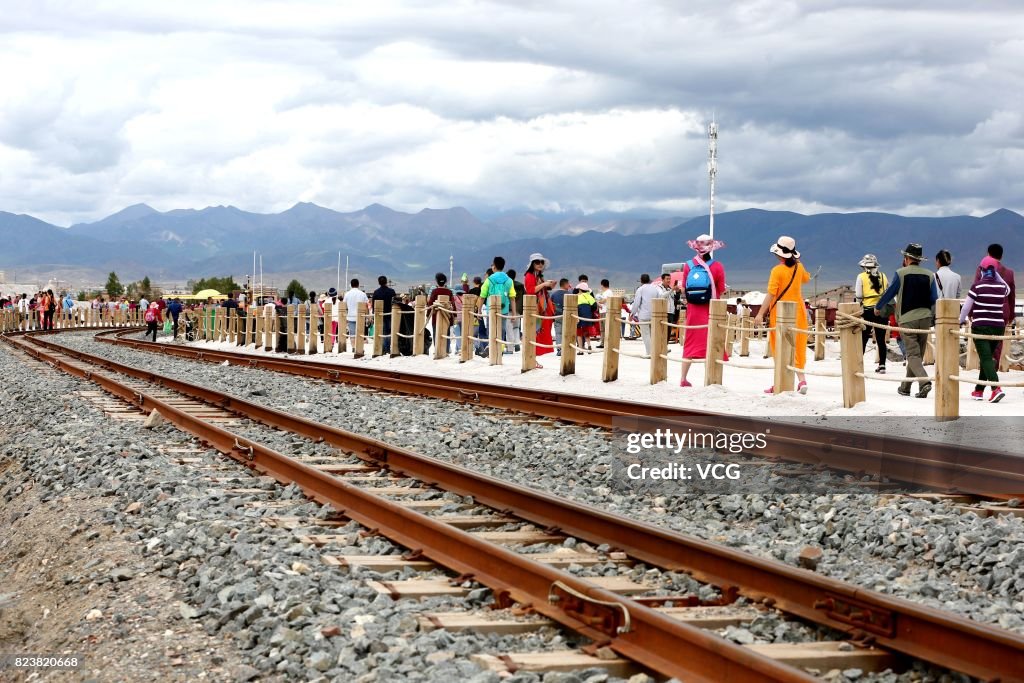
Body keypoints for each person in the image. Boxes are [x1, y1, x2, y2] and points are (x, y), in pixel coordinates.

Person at [874, 243, 939, 398]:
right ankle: (905, 387)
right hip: (925, 318)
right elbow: (934, 299)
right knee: (917, 355)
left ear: (907, 258)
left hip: (907, 319)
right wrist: (933, 318)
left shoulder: (900, 273)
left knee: (912, 355)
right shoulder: (930, 275)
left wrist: (878, 307)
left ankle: (924, 382)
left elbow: (890, 292)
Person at [753, 236, 811, 394]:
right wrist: (798, 262)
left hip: (779, 313)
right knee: (797, 345)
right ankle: (802, 380)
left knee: (779, 347)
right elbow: (806, 278)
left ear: (779, 254)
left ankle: (779, 382)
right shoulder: (799, 267)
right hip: (798, 311)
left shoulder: (777, 270)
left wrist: (760, 314)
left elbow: (771, 294)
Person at [960, 256, 1010, 403]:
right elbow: (1006, 288)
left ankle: (996, 389)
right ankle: (979, 390)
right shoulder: (1002, 288)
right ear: (995, 272)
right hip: (998, 327)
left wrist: (960, 322)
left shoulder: (977, 286)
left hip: (981, 327)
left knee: (986, 358)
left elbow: (966, 308)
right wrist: (997, 274)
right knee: (987, 358)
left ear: (981, 270)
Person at [678, 234, 727, 387]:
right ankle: (710, 378)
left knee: (690, 343)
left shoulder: (687, 265)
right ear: (711, 248)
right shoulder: (718, 266)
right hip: (711, 310)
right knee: (712, 342)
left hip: (693, 310)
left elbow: (684, 288)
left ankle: (683, 379)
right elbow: (721, 289)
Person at [973, 243, 1016, 363]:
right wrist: (1012, 314)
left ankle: (988, 372)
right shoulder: (1009, 273)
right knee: (997, 344)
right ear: (1001, 256)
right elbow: (1011, 296)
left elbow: (975, 290)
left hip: (983, 312)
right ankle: (993, 368)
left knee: (982, 343)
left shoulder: (981, 270)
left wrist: (971, 311)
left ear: (988, 254)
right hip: (1002, 313)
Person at [855, 253, 890, 374]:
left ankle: (859, 363)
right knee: (881, 339)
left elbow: (859, 296)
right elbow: (887, 292)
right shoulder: (883, 276)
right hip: (881, 310)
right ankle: (882, 365)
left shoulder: (861, 277)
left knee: (863, 338)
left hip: (867, 310)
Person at [477, 257, 516, 357]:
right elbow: (512, 298)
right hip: (504, 309)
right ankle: (499, 350)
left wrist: (479, 310)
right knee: (501, 331)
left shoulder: (489, 280)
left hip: (492, 309)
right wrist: (514, 314)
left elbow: (482, 297)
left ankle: (491, 348)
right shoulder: (509, 280)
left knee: (491, 330)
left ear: (494, 266)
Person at [523, 253, 555, 368]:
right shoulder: (529, 276)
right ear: (532, 264)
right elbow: (531, 291)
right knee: (534, 332)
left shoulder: (538, 276)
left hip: (541, 308)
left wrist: (548, 286)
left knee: (538, 332)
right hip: (535, 308)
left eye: (542, 262)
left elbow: (539, 290)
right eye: (537, 262)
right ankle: (532, 359)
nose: (540, 264)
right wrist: (544, 284)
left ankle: (533, 358)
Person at [631, 274, 661, 358]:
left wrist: (632, 313)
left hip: (644, 315)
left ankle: (649, 352)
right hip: (654, 314)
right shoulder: (655, 289)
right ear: (649, 280)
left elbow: (636, 303)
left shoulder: (640, 289)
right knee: (653, 334)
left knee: (646, 334)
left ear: (641, 280)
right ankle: (655, 351)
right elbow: (659, 300)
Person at [427, 273, 454, 354]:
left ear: (436, 281)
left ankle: (437, 350)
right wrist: (454, 316)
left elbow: (430, 304)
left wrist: (428, 315)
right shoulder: (449, 292)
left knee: (436, 333)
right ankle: (446, 350)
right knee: (447, 333)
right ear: (445, 281)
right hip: (447, 316)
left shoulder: (435, 291)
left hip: (436, 317)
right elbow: (453, 304)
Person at [371, 275, 397, 353]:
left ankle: (383, 348)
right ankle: (387, 348)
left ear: (379, 282)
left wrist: (373, 313)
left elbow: (373, 304)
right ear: (386, 282)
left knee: (381, 331)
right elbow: (395, 303)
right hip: (390, 314)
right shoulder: (391, 291)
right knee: (389, 331)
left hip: (380, 315)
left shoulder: (376, 292)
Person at [575, 281, 599, 354]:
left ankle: (580, 349)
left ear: (579, 289)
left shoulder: (576, 296)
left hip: (579, 315)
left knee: (579, 333)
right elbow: (595, 306)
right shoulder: (589, 296)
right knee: (586, 332)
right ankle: (589, 346)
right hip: (587, 316)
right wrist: (589, 311)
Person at [506, 269, 526, 352]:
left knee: (509, 328)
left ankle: (510, 348)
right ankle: (517, 342)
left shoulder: (507, 285)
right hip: (518, 310)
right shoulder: (521, 285)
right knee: (516, 327)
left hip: (509, 309)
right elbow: (525, 296)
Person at [342, 282, 367, 348]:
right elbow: (366, 305)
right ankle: (360, 347)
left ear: (351, 285)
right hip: (361, 316)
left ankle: (353, 347)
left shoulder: (347, 294)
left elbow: (344, 305)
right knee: (360, 333)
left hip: (350, 316)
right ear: (358, 285)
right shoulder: (362, 294)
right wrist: (368, 316)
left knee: (352, 334)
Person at [550, 278, 570, 355]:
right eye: (568, 284)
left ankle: (559, 349)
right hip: (568, 316)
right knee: (567, 332)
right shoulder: (570, 294)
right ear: (565, 284)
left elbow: (551, 305)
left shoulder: (554, 294)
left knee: (558, 333)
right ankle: (566, 349)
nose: (569, 285)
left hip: (557, 315)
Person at [659, 274, 677, 345]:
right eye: (667, 279)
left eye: (669, 279)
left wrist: (677, 291)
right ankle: (661, 345)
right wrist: (672, 290)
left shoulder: (670, 288)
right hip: (664, 311)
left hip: (671, 312)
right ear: (663, 280)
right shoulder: (659, 288)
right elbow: (662, 296)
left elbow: (674, 299)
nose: (669, 280)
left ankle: (665, 345)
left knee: (669, 330)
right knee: (663, 330)